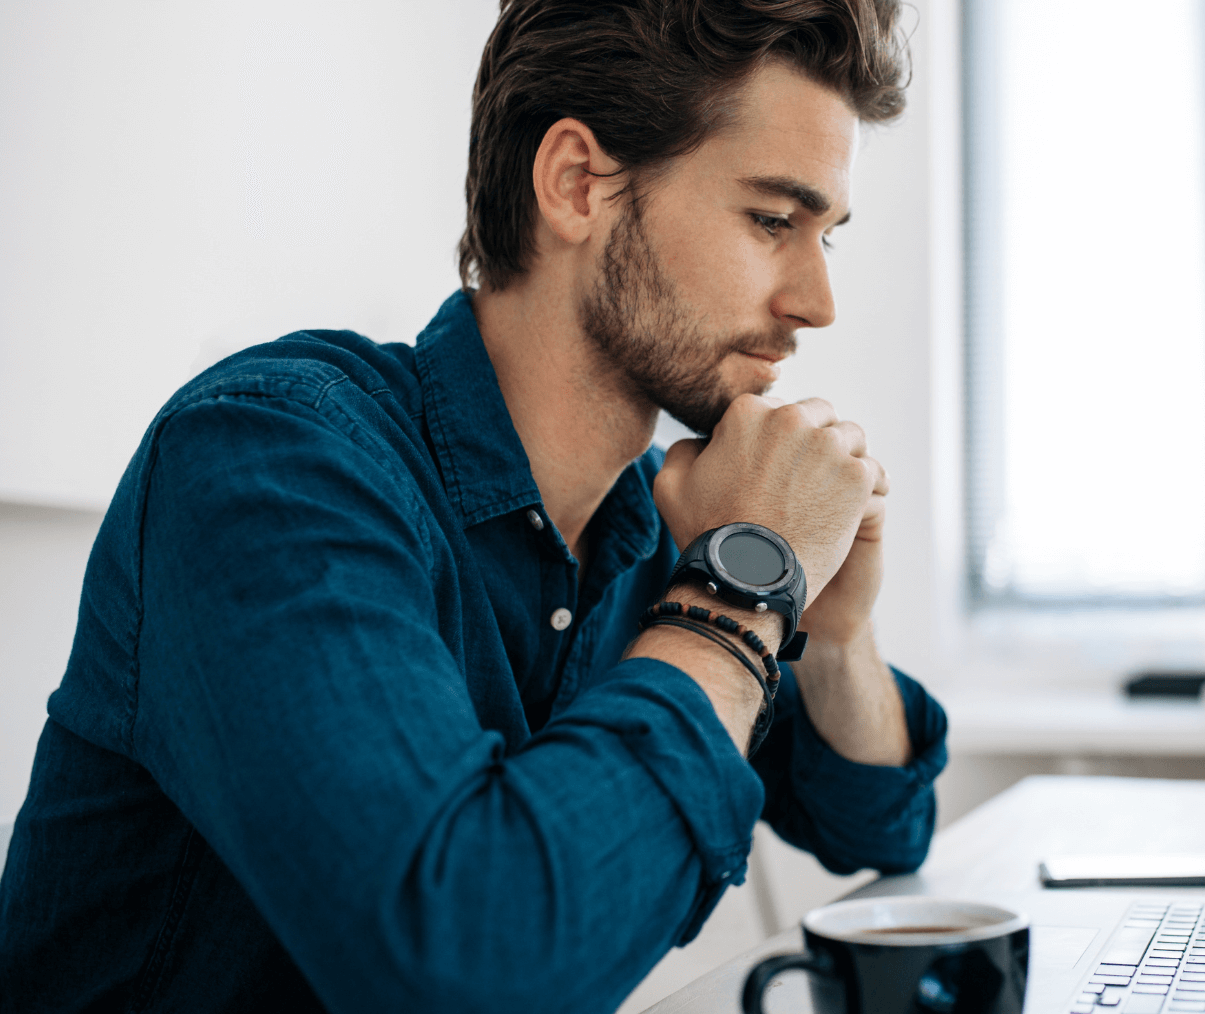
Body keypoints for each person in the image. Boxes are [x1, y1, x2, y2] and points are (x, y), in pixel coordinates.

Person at [0, 1, 947, 1009]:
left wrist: (833, 633)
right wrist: (740, 591)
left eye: (826, 238)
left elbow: (878, 823)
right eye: (772, 220)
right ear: (578, 183)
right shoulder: (266, 462)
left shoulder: (657, 523)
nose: (816, 300)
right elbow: (460, 968)